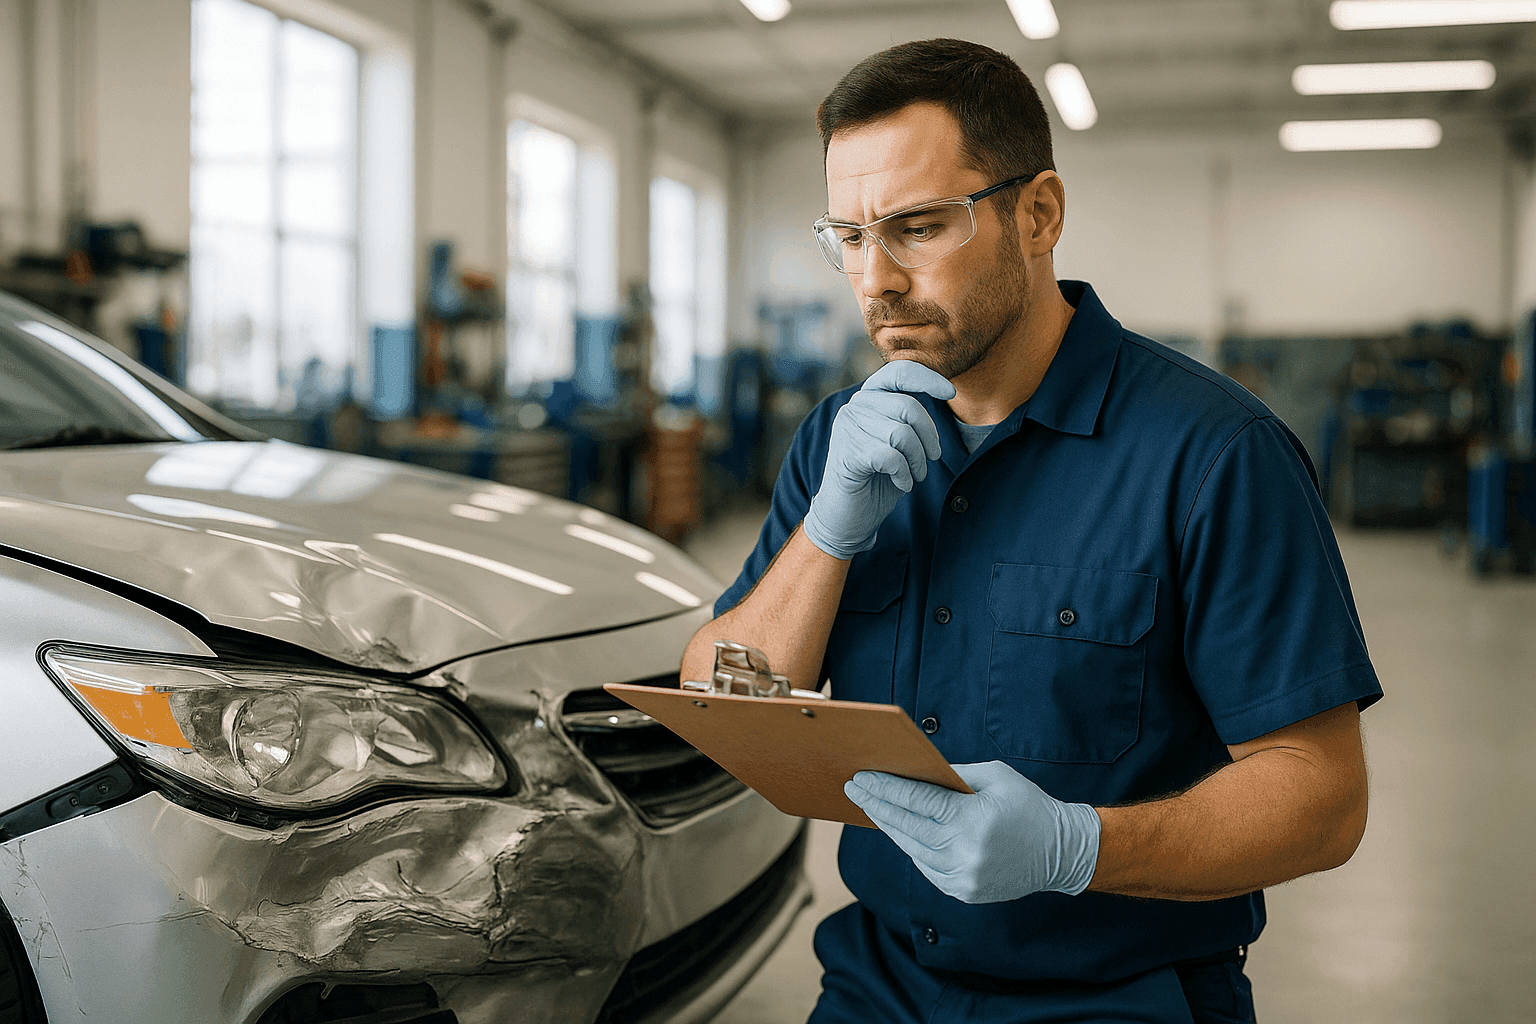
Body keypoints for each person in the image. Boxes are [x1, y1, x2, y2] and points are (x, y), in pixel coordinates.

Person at [681, 37, 1382, 1024]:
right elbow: (723, 694)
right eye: (848, 234)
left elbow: (1322, 797)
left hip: (1119, 998)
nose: (874, 279)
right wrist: (826, 536)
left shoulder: (1216, 455)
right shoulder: (841, 441)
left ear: (1038, 213)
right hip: (877, 986)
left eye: (916, 227)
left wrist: (1075, 845)